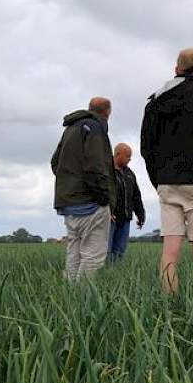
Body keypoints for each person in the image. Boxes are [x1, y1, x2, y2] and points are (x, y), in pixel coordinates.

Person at [140, 48, 193, 293]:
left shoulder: (155, 103)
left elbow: (146, 147)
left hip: (168, 183)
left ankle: (170, 305)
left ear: (176, 69)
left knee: (170, 250)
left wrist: (157, 180)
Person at [51, 97, 116, 281]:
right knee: (92, 257)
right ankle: (83, 301)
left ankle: (70, 296)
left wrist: (70, 182)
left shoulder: (70, 129)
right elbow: (95, 167)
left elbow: (55, 163)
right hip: (91, 204)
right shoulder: (95, 128)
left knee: (74, 253)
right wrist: (104, 197)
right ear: (107, 114)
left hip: (68, 203)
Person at [107, 143, 146, 262]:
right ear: (117, 154)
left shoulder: (130, 174)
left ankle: (115, 275)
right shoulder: (107, 171)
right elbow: (101, 193)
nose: (130, 159)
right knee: (105, 251)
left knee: (119, 252)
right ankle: (104, 276)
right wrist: (107, 211)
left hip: (125, 219)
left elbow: (136, 196)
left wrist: (140, 215)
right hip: (110, 219)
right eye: (127, 156)